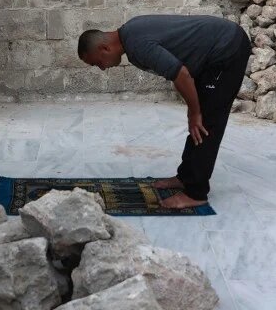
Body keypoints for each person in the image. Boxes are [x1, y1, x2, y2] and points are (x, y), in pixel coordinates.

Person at [78, 14, 252, 209]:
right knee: (199, 120)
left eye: (97, 63)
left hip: (227, 49)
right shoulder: (130, 33)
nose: (102, 69)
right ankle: (186, 177)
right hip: (213, 52)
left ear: (104, 48)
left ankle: (196, 193)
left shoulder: (137, 45)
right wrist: (194, 111)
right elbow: (179, 72)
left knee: (205, 123)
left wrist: (194, 113)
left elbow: (181, 74)